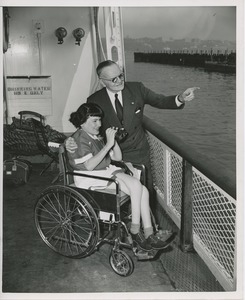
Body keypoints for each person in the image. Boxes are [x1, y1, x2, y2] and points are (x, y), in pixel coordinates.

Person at [66, 60, 199, 201]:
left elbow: (161, 101)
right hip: (112, 157)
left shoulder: (137, 89)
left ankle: (145, 221)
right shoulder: (95, 99)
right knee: (123, 195)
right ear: (102, 81)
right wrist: (70, 141)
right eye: (113, 79)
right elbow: (85, 126)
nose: (119, 81)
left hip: (138, 152)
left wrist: (180, 98)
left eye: (121, 75)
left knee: (145, 192)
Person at [67, 102, 175, 252]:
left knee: (144, 190)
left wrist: (113, 142)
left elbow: (117, 157)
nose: (99, 124)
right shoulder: (79, 138)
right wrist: (107, 145)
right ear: (83, 121)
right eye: (95, 121)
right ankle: (136, 230)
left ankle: (149, 233)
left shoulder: (94, 135)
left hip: (104, 172)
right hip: (90, 177)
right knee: (137, 186)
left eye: (100, 120)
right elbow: (89, 166)